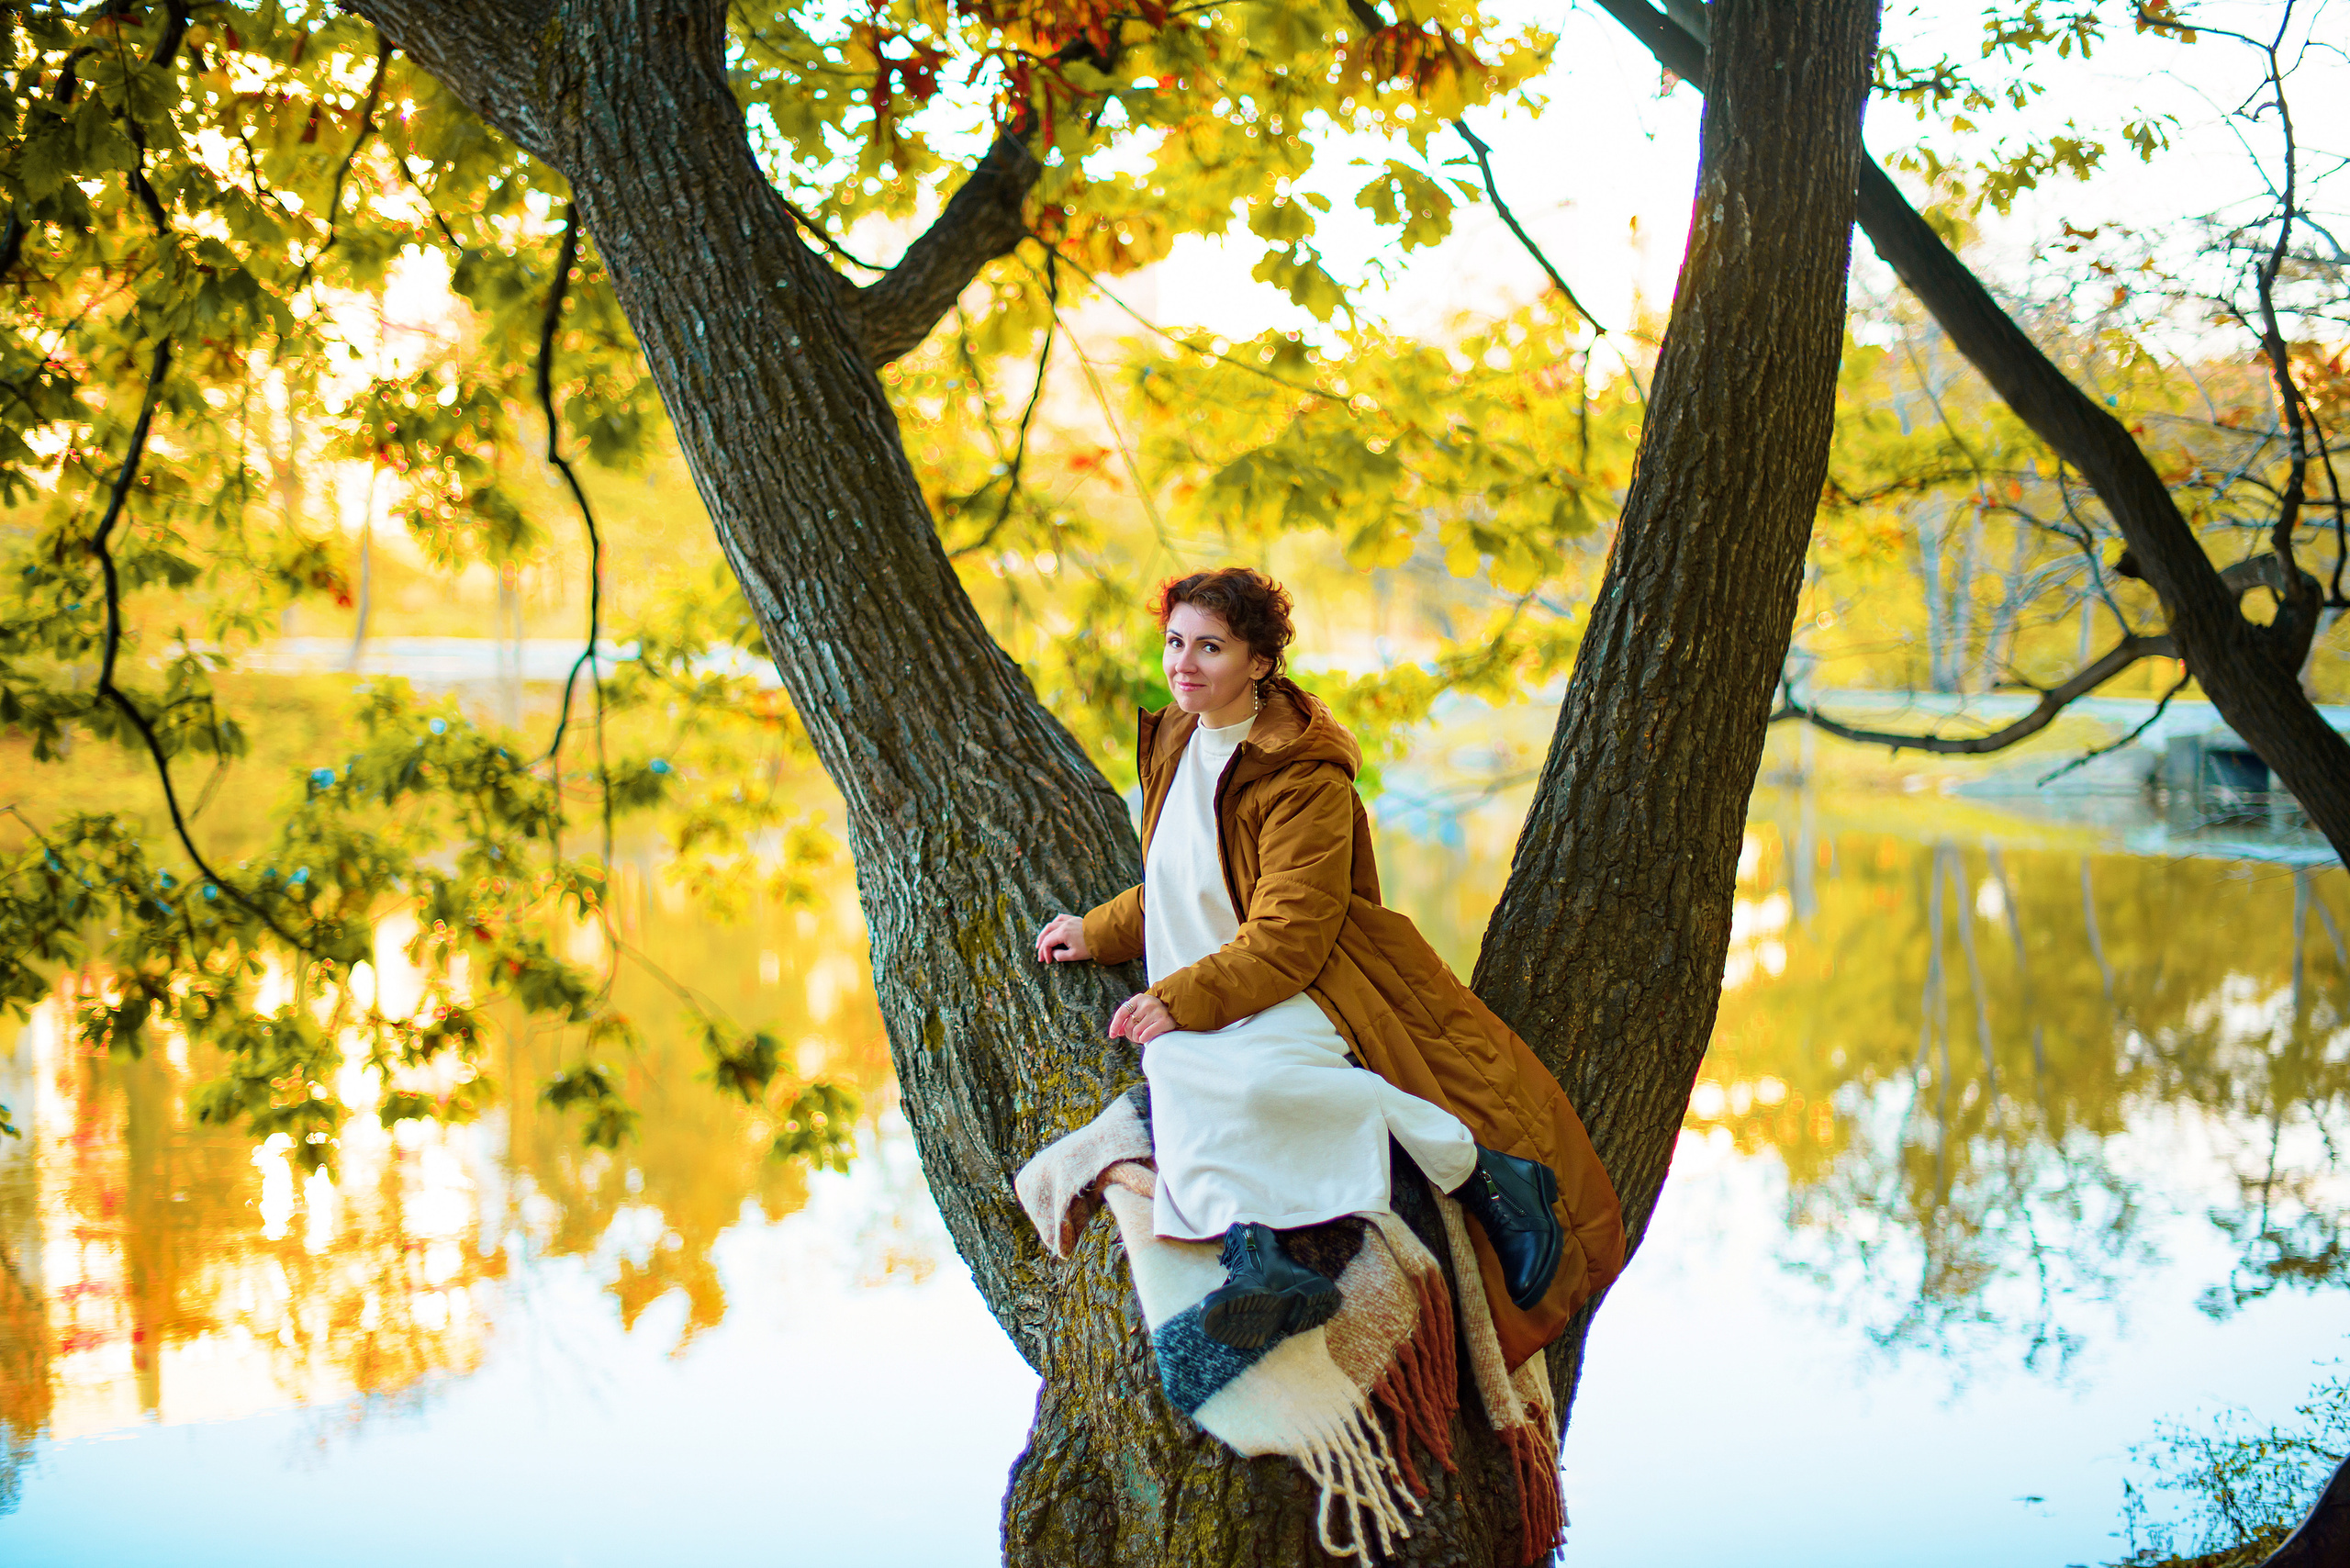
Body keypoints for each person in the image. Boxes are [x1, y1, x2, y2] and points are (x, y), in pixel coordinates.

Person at [1035, 567, 1624, 1360]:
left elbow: (1291, 934)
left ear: (1258, 661)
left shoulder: (1300, 773)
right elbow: (1184, 882)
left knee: (1253, 1080)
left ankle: (1489, 1175)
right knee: (1179, 1068)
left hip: (1317, 977)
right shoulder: (1179, 736)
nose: (1184, 663)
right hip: (1226, 976)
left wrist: (1178, 997)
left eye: (1211, 647)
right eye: (1176, 642)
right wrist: (1099, 931)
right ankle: (1267, 1265)